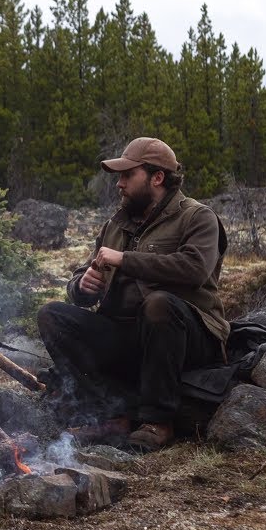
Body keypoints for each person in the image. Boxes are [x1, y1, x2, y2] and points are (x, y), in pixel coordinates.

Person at [37, 137, 228, 451]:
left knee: (159, 305)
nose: (119, 184)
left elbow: (195, 268)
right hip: (129, 336)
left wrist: (125, 260)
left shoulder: (197, 217)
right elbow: (85, 276)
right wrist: (82, 287)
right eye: (119, 177)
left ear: (157, 177)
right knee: (52, 316)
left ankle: (157, 421)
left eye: (128, 175)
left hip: (189, 338)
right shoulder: (117, 223)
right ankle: (115, 413)